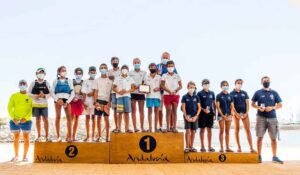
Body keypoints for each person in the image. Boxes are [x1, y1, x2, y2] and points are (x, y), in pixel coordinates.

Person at [251, 76, 283, 164]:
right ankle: (259, 156)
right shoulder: (257, 93)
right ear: (262, 82)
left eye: (268, 81)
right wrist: (258, 107)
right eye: (265, 81)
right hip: (261, 117)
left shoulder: (274, 93)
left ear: (270, 82)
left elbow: (280, 105)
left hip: (272, 118)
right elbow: (252, 104)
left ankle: (274, 157)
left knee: (273, 138)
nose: (266, 82)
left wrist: (272, 107)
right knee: (259, 137)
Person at [8, 80, 33, 162]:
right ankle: (16, 156)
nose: (22, 85)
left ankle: (25, 156)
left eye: (24, 84)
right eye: (21, 84)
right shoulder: (13, 96)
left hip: (27, 120)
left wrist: (25, 118)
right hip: (15, 120)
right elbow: (9, 107)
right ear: (19, 85)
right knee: (16, 137)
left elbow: (33, 108)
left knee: (26, 138)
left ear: (27, 85)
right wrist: (13, 118)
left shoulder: (31, 96)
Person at [230, 79, 256, 153]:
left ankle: (251, 148)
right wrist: (236, 113)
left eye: (241, 83)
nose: (239, 84)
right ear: (235, 84)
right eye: (238, 83)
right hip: (236, 114)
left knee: (248, 130)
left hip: (245, 114)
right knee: (236, 130)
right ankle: (239, 147)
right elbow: (231, 105)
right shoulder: (231, 93)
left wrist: (246, 113)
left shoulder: (244, 93)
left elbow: (247, 104)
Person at [51, 66, 75, 142]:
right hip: (58, 100)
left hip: (67, 100)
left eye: (65, 70)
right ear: (59, 72)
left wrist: (67, 102)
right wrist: (57, 100)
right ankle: (58, 137)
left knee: (69, 118)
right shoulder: (55, 81)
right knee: (58, 117)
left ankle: (69, 137)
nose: (64, 72)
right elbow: (52, 92)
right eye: (62, 70)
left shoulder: (69, 80)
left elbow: (73, 93)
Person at [28, 68, 51, 142]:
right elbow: (28, 93)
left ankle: (47, 136)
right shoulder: (33, 83)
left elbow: (51, 93)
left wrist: (44, 95)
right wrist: (36, 96)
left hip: (44, 104)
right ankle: (38, 136)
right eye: (39, 72)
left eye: (42, 72)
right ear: (36, 74)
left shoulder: (47, 83)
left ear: (44, 74)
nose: (41, 74)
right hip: (36, 104)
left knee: (45, 120)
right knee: (38, 120)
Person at [156, 52, 178, 132]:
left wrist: (174, 91)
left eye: (166, 57)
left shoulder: (173, 68)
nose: (165, 59)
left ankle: (172, 126)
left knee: (171, 110)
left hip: (170, 93)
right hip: (159, 92)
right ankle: (161, 126)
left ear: (169, 58)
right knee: (159, 109)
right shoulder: (157, 66)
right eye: (163, 57)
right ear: (161, 57)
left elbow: (176, 80)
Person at [161, 60, 182, 132]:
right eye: (169, 66)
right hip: (167, 95)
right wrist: (169, 91)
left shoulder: (177, 75)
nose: (170, 67)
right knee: (168, 110)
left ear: (174, 66)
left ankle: (174, 127)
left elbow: (181, 86)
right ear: (166, 67)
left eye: (172, 66)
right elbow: (162, 85)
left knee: (174, 111)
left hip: (175, 95)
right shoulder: (164, 75)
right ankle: (167, 127)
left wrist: (175, 91)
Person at [112, 65, 135, 133]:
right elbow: (113, 87)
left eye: (126, 69)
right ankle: (118, 128)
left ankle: (127, 128)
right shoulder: (117, 78)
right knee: (120, 112)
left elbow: (133, 88)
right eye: (123, 68)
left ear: (128, 70)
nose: (124, 70)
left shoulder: (130, 78)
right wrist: (119, 91)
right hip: (119, 97)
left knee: (127, 112)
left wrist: (126, 91)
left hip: (127, 97)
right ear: (121, 70)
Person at [93, 63, 113, 142]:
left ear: (107, 69)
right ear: (100, 70)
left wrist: (109, 102)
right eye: (102, 68)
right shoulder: (97, 80)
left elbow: (111, 93)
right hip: (99, 101)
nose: (103, 69)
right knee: (98, 119)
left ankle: (108, 136)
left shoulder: (110, 81)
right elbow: (95, 91)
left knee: (106, 119)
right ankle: (99, 136)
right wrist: (95, 102)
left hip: (106, 102)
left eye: (105, 67)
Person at [197, 79, 216, 152]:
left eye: (207, 83)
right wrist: (203, 109)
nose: (206, 84)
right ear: (202, 85)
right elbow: (198, 105)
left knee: (209, 130)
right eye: (205, 83)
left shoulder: (212, 93)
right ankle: (202, 146)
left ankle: (209, 147)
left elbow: (213, 104)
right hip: (202, 114)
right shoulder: (199, 93)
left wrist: (214, 113)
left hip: (210, 114)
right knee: (202, 130)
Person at [181, 81, 201, 153]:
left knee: (193, 132)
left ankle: (191, 146)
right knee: (188, 131)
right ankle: (187, 147)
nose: (192, 88)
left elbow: (199, 108)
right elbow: (183, 107)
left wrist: (196, 116)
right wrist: (186, 116)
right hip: (187, 117)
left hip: (194, 117)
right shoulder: (184, 97)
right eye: (190, 87)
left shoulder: (197, 97)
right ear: (187, 88)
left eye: (193, 87)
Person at [129, 58, 147, 132]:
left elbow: (144, 82)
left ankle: (142, 127)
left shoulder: (144, 72)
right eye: (135, 62)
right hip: (132, 93)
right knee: (133, 111)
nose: (137, 64)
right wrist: (134, 86)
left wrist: (139, 86)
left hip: (141, 93)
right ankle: (135, 128)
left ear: (140, 63)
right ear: (133, 63)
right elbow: (129, 82)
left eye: (138, 62)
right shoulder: (130, 72)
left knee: (141, 111)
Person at [216, 81, 234, 153]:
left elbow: (232, 106)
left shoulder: (230, 96)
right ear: (221, 86)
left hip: (229, 115)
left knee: (227, 131)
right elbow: (217, 106)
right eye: (224, 85)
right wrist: (222, 115)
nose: (225, 86)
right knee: (221, 131)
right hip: (221, 116)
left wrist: (231, 114)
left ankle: (227, 147)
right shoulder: (219, 95)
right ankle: (221, 147)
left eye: (226, 85)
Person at [143, 63, 162, 132]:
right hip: (149, 96)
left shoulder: (159, 77)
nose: (152, 68)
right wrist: (145, 91)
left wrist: (159, 89)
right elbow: (143, 86)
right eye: (151, 67)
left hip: (157, 96)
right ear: (149, 68)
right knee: (149, 112)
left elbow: (162, 86)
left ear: (156, 68)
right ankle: (150, 128)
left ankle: (156, 128)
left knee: (156, 112)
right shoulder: (146, 77)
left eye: (154, 67)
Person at [82, 66, 97, 142]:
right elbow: (84, 93)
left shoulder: (97, 81)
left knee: (94, 118)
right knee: (87, 118)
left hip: (94, 102)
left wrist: (93, 93)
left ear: (96, 72)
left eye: (94, 72)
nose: (93, 73)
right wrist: (83, 103)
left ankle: (93, 136)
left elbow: (98, 91)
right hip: (87, 102)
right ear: (88, 73)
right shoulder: (85, 81)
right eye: (91, 72)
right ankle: (87, 136)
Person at [70, 67, 84, 141]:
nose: (78, 74)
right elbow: (70, 91)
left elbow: (84, 92)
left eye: (80, 73)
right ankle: (69, 135)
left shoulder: (83, 82)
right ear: (75, 74)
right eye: (77, 73)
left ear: (82, 74)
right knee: (71, 118)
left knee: (77, 118)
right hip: (72, 100)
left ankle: (74, 136)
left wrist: (81, 94)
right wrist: (73, 97)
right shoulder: (71, 81)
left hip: (80, 101)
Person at [108, 57, 121, 133]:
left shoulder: (121, 71)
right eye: (113, 61)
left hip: (120, 94)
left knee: (120, 110)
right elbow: (108, 82)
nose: (115, 62)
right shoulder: (109, 71)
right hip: (113, 93)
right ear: (111, 62)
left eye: (116, 61)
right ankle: (116, 127)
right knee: (115, 111)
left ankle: (120, 127)